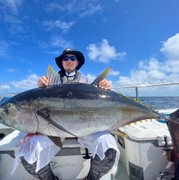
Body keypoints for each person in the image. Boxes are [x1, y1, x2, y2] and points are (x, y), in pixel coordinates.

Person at [12, 48, 120, 180]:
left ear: (77, 62)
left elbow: (100, 103)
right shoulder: (49, 82)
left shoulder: (86, 82)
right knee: (27, 150)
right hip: (53, 129)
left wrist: (105, 88)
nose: (69, 61)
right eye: (65, 58)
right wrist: (40, 87)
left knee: (108, 147)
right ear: (62, 62)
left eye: (72, 58)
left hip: (86, 128)